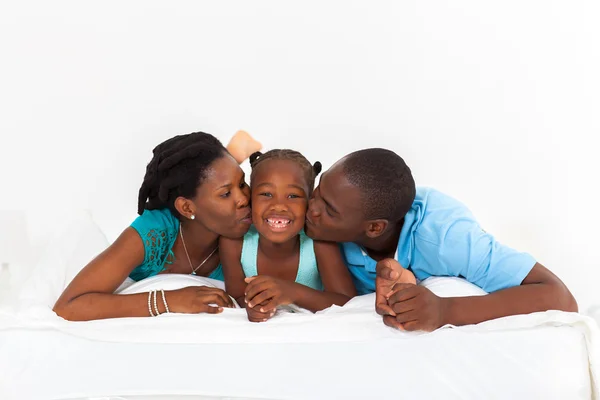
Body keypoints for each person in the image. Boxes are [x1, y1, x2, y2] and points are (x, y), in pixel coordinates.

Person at [304, 148, 578, 331]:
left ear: (374, 228)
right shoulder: (320, 212)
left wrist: (444, 310)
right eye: (319, 186)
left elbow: (560, 297)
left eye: (328, 210)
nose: (311, 207)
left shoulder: (447, 239)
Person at [53, 130, 262, 321]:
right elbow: (68, 306)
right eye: (226, 194)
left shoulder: (249, 228)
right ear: (187, 208)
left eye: (242, 183)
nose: (244, 198)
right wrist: (168, 301)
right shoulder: (154, 232)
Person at [221, 150, 358, 322]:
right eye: (266, 194)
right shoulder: (235, 242)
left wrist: (291, 292)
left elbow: (347, 302)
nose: (279, 206)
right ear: (250, 198)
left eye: (293, 196)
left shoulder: (319, 242)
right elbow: (237, 297)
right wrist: (254, 308)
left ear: (310, 200)